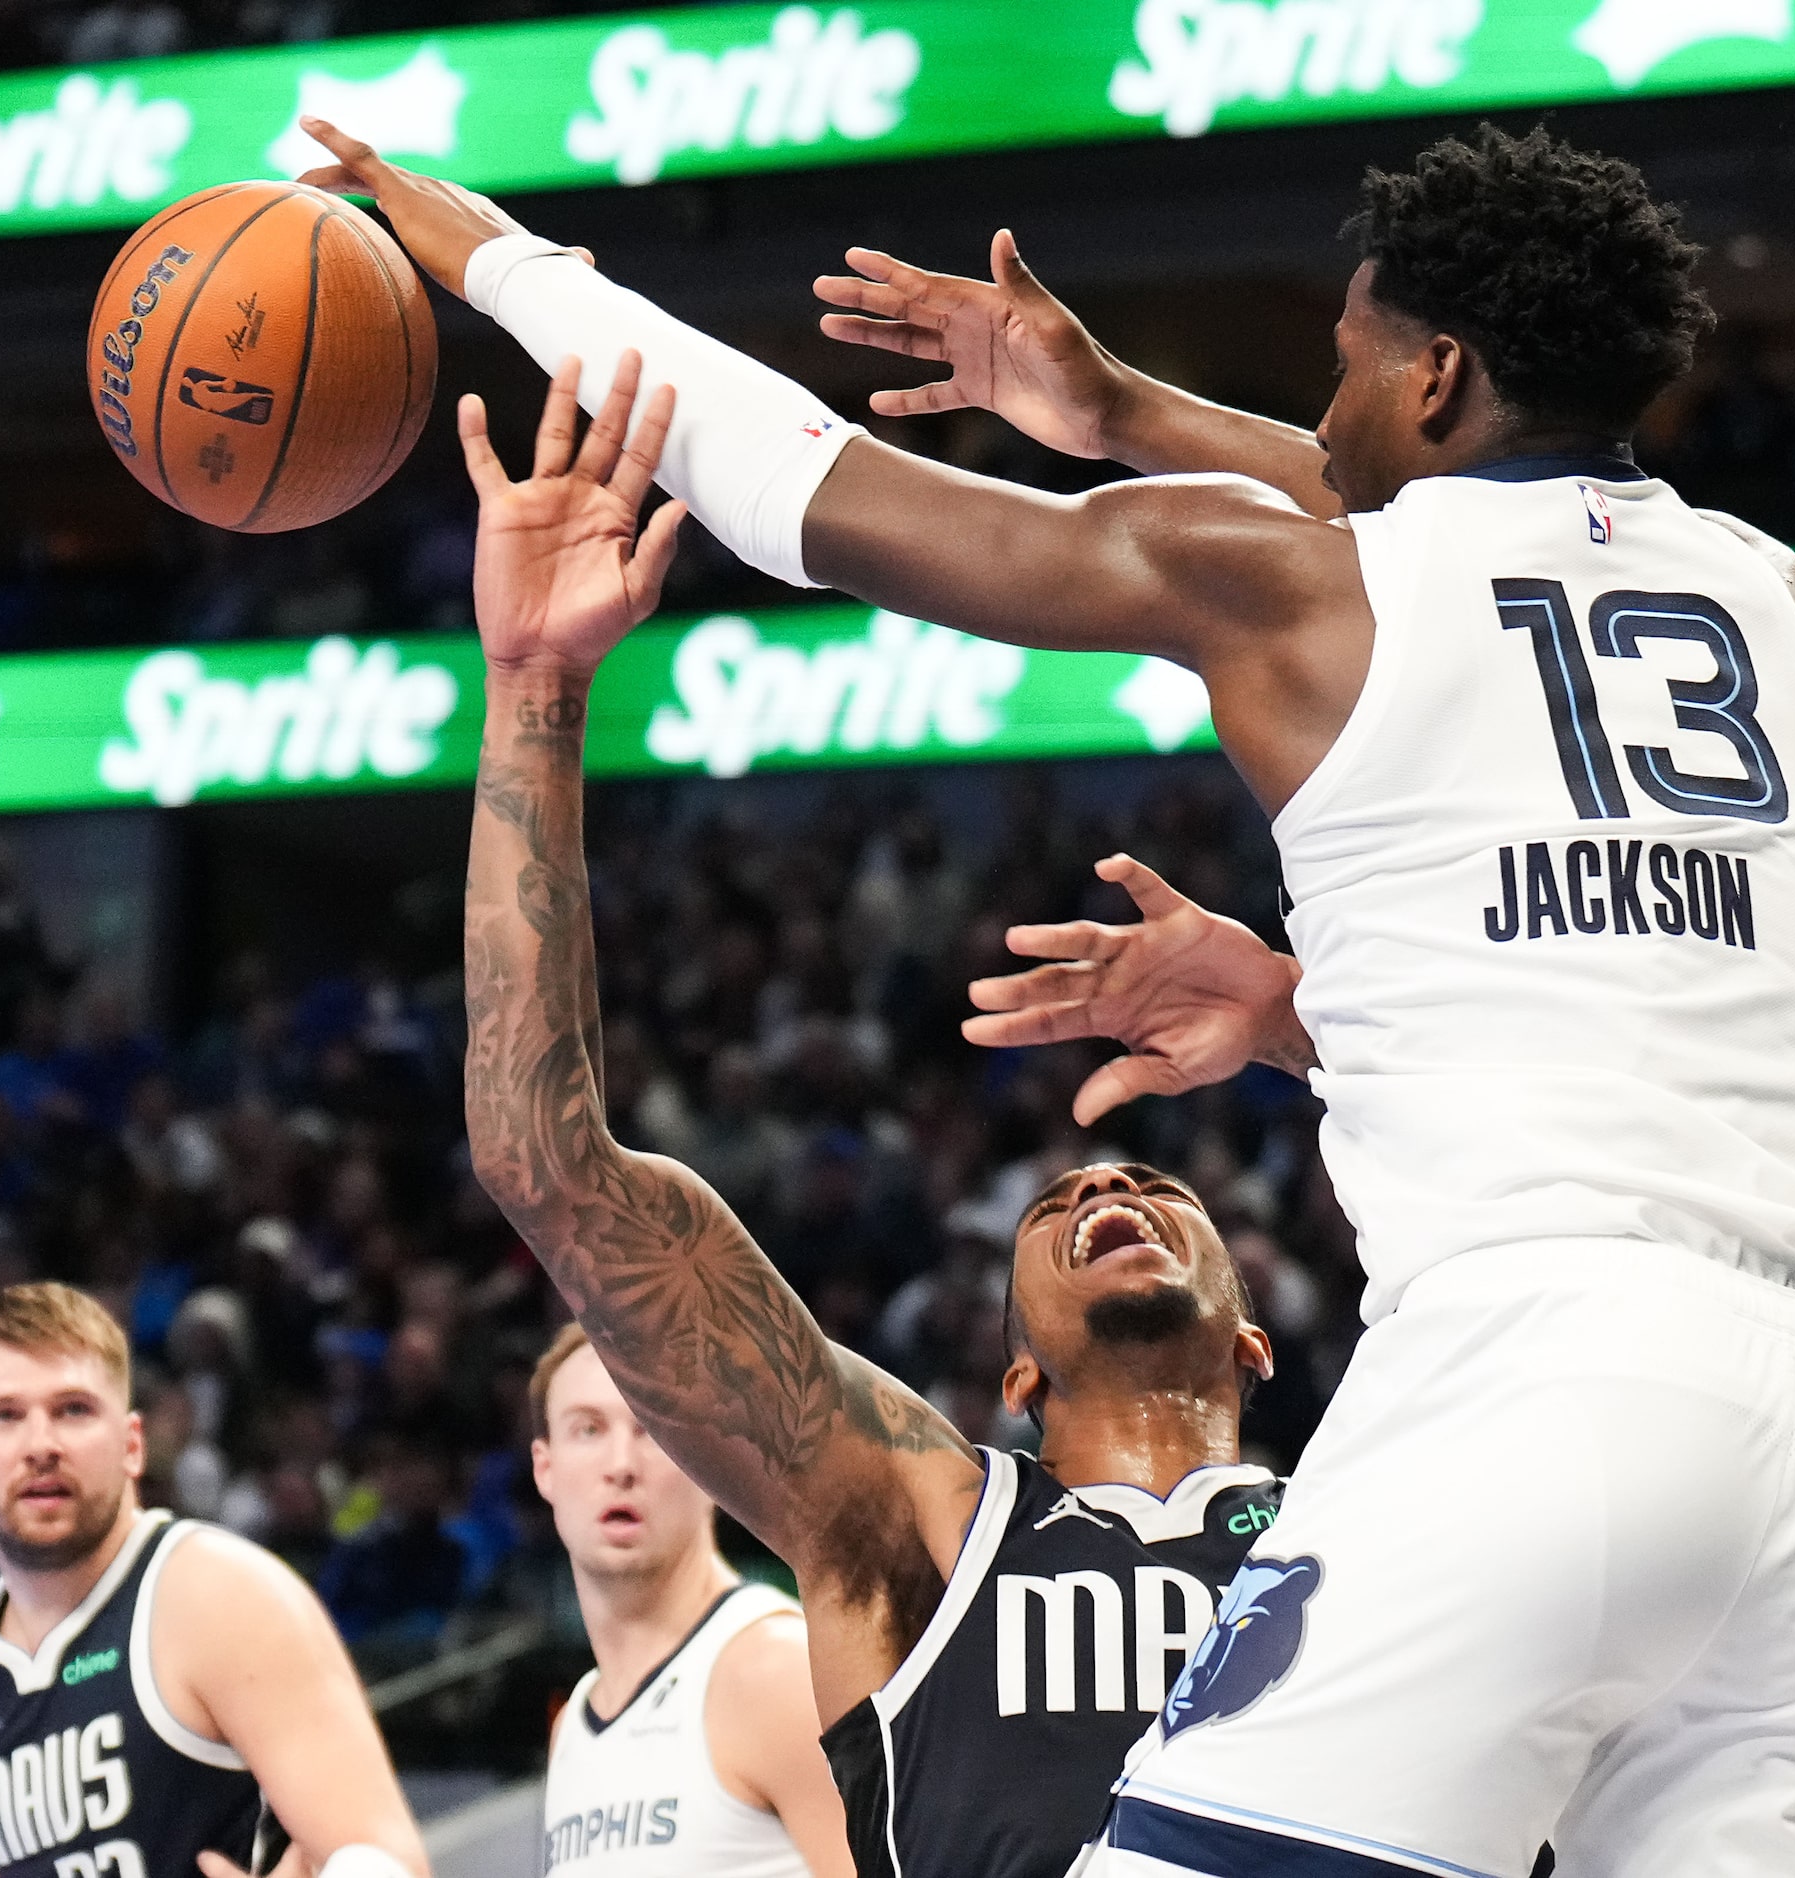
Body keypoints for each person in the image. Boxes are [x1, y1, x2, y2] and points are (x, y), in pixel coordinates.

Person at [295, 113, 1795, 1878]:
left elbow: (807, 489)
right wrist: (1317, 1000)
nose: (1321, 417)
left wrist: (494, 257)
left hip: (1566, 1365)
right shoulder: (1765, 589)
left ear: (1440, 370)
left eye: (1349, 364)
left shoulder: (1281, 579)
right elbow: (1623, 928)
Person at [440, 359, 1282, 1878]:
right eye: (1056, 1207)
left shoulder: (1378, 1508)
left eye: (1160, 1189)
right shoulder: (916, 1523)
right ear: (1012, 1370)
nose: (1111, 1191)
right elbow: (544, 1164)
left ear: (1254, 1338)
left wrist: (1298, 1025)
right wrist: (536, 694)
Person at [0, 1282, 431, 1878]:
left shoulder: (218, 1595)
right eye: (4, 1416)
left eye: (73, 1410)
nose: (41, 1445)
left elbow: (389, 1859)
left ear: (132, 1444)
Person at [530, 1326, 850, 1878]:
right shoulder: (573, 1728)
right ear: (546, 1468)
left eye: (651, 1427)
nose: (621, 1464)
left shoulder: (777, 1672)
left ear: (712, 1462)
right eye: (588, 1430)